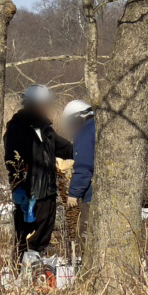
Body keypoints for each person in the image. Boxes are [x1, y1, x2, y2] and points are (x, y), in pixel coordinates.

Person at [4, 84, 73, 260]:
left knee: (43, 238)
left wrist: (87, 153)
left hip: (48, 192)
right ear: (31, 104)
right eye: (42, 104)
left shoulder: (46, 129)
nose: (45, 108)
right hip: (29, 194)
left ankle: (37, 275)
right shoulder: (17, 129)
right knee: (26, 240)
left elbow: (65, 148)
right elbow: (12, 161)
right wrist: (18, 188)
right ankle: (21, 275)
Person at [62, 99, 95, 249]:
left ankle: (86, 267)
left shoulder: (85, 134)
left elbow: (84, 166)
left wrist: (74, 193)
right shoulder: (97, 127)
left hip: (92, 195)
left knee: (87, 236)